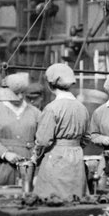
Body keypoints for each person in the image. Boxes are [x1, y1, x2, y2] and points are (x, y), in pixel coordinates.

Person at [32, 63, 90, 199]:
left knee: (52, 201)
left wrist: (35, 156)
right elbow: (87, 137)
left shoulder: (52, 108)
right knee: (75, 201)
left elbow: (43, 141)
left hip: (55, 158)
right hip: (77, 158)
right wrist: (73, 147)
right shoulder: (82, 108)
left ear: (50, 85)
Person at [0, 72, 41, 186]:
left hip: (27, 165)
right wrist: (5, 154)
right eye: (15, 93)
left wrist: (35, 156)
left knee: (27, 196)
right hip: (2, 166)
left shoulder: (36, 113)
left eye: (22, 93)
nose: (19, 97)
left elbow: (42, 139)